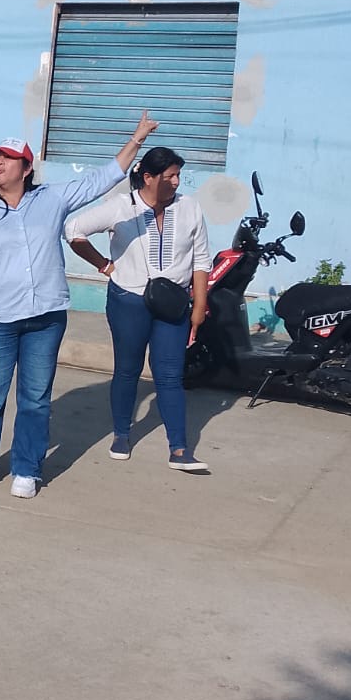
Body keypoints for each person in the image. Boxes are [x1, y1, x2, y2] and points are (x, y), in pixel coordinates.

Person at [0, 114, 159, 498]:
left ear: (26, 169)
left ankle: (27, 469)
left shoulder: (52, 199)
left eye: (7, 158)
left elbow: (103, 178)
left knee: (36, 398)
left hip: (45, 318)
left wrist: (137, 138)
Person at [66, 145, 211, 472]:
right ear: (148, 177)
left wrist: (200, 304)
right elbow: (73, 230)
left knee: (170, 375)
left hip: (173, 304)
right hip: (129, 301)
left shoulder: (189, 208)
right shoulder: (121, 206)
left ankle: (179, 448)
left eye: (178, 175)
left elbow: (201, 259)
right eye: (169, 176)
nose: (176, 182)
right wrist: (104, 265)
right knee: (127, 370)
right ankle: (121, 434)